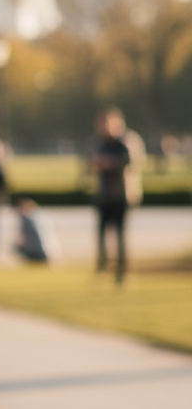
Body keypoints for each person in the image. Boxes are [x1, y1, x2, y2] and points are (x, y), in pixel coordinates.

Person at [90, 108, 131, 284]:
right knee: (101, 234)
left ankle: (121, 271)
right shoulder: (100, 144)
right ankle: (103, 267)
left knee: (120, 235)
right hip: (104, 196)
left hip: (120, 196)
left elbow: (128, 162)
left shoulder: (123, 143)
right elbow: (90, 162)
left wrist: (109, 163)